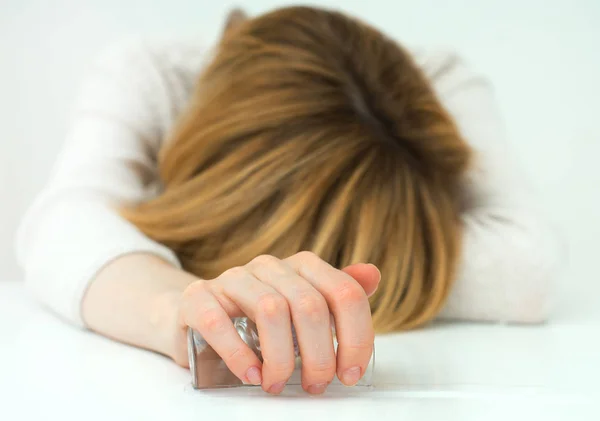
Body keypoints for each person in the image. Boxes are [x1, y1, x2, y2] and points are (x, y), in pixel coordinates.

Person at [15, 6, 561, 395]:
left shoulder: (443, 82)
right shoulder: (153, 74)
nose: (285, 272)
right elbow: (62, 225)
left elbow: (529, 266)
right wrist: (187, 309)